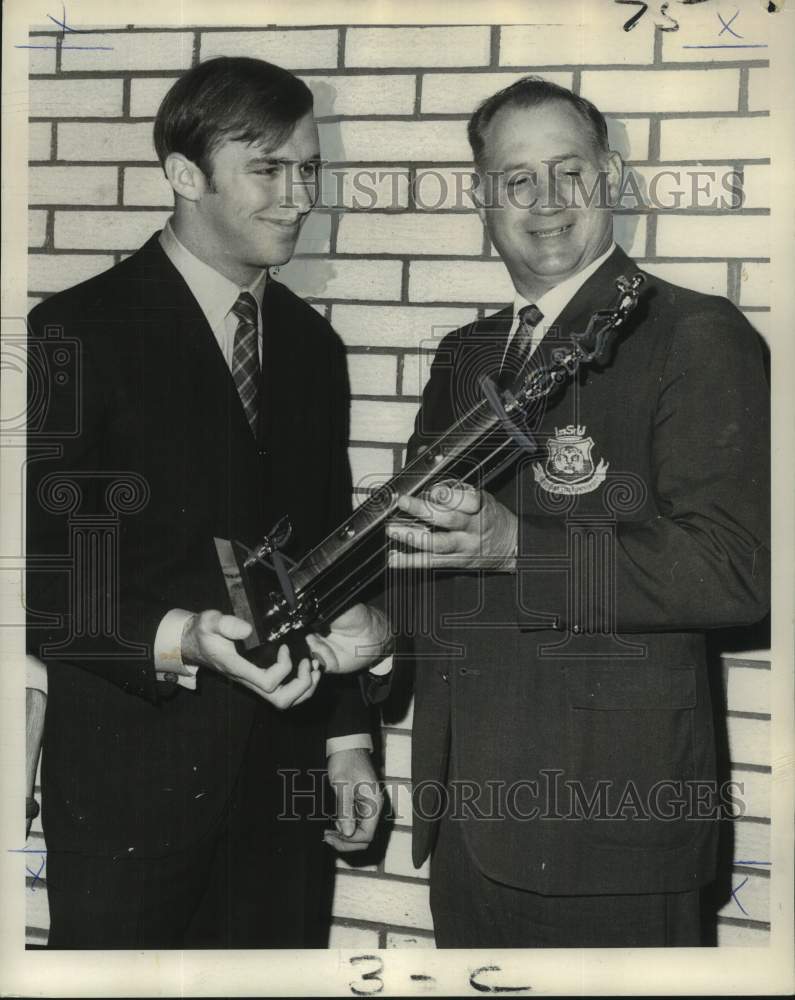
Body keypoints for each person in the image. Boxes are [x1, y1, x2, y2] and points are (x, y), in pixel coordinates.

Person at [384, 77, 770, 948]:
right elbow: (426, 554)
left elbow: (737, 571)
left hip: (607, 833)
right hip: (466, 825)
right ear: (482, 197)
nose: (545, 201)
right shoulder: (464, 354)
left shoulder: (694, 334)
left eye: (569, 171)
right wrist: (374, 636)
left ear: (614, 176)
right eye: (515, 179)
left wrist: (520, 546)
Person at [25, 56, 390, 950]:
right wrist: (183, 635)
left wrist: (346, 744)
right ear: (183, 175)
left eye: (309, 168)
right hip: (129, 802)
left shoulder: (312, 348)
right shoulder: (74, 334)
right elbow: (34, 581)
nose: (300, 195)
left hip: (281, 796)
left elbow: (327, 568)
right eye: (268, 168)